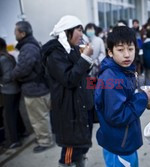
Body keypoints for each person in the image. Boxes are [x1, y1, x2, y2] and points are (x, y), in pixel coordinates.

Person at [95, 26, 150, 167]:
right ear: (110, 52)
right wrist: (143, 98)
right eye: (120, 50)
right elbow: (118, 115)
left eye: (131, 48)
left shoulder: (123, 70)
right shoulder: (112, 77)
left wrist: (142, 98)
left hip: (123, 139)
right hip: (119, 144)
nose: (127, 54)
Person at [42, 15, 94, 167]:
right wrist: (84, 58)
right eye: (79, 30)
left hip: (80, 107)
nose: (82, 35)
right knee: (70, 150)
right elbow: (69, 79)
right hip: (68, 110)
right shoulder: (55, 53)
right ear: (67, 31)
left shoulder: (72, 49)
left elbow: (82, 76)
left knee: (81, 146)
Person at [11, 21, 53, 153]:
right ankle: (43, 137)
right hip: (39, 87)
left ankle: (45, 141)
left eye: (16, 31)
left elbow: (23, 68)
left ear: (22, 33)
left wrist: (12, 75)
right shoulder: (32, 44)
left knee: (39, 118)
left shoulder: (28, 48)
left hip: (35, 90)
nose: (14, 34)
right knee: (42, 116)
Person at [0, 37, 22, 148]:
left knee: (8, 116)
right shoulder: (10, 56)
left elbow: (7, 76)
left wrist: (1, 83)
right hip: (16, 89)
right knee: (15, 113)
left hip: (8, 90)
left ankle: (13, 140)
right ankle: (21, 133)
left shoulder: (2, 59)